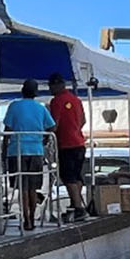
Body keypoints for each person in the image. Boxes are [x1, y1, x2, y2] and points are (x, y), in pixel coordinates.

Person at [3, 79, 55, 231]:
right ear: (36, 93)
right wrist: (43, 139)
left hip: (17, 150)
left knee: (22, 188)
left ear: (22, 91)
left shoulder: (14, 106)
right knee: (32, 188)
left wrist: (3, 149)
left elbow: (7, 130)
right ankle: (32, 218)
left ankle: (25, 219)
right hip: (36, 150)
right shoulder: (40, 108)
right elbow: (51, 126)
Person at [48, 73, 88, 222]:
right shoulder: (76, 100)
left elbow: (54, 124)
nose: (50, 89)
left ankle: (78, 208)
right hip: (79, 143)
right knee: (77, 175)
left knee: (67, 176)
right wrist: (74, 128)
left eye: (51, 86)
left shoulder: (56, 101)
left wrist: (46, 136)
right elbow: (83, 120)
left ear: (56, 85)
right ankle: (75, 205)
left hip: (66, 144)